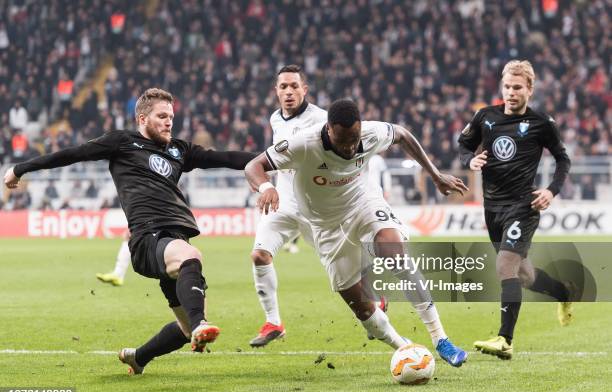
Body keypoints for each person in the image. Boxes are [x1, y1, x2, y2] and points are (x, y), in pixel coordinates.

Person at [4, 88, 257, 374]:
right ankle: (201, 324)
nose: (168, 122)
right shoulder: (122, 142)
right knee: (191, 258)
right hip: (148, 239)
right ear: (142, 118)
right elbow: (72, 154)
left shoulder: (179, 150)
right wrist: (21, 168)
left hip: (173, 240)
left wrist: (270, 161)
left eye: (171, 117)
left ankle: (138, 357)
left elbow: (223, 158)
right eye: (162, 116)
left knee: (184, 328)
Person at [245, 99, 470, 367]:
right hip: (326, 226)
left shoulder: (371, 133)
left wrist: (435, 175)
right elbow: (253, 166)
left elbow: (403, 135)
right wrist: (266, 188)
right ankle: (405, 349)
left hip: (364, 204)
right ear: (328, 130)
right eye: (343, 141)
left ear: (360, 127)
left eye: (354, 139)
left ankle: (441, 339)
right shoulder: (304, 144)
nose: (350, 147)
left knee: (396, 253)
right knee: (362, 306)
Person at [458, 60, 573, 360]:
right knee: (523, 274)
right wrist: (470, 161)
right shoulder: (485, 117)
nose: (511, 93)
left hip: (524, 206)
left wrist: (550, 190)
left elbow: (563, 160)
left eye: (517, 87)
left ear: (530, 89)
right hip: (492, 208)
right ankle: (563, 292)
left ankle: (505, 339)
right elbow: (464, 146)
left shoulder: (542, 123)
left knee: (504, 268)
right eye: (507, 87)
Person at [248, 65, 328, 347]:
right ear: (276, 91)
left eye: (294, 86)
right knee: (259, 255)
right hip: (282, 204)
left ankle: (374, 305)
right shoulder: (275, 120)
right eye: (283, 87)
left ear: (304, 89)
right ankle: (273, 322)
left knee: (341, 272)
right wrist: (265, 183)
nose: (289, 92)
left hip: (315, 208)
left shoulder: (321, 119)